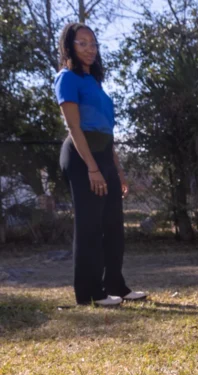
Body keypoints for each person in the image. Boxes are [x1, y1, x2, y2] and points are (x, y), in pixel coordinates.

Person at [54, 23, 145, 307]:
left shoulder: (94, 82)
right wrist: (92, 168)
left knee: (113, 225)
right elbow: (74, 127)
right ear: (69, 47)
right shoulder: (66, 78)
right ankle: (89, 293)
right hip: (82, 156)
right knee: (90, 226)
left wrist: (116, 170)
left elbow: (107, 131)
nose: (90, 49)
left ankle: (115, 284)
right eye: (82, 43)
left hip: (103, 153)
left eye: (93, 43)